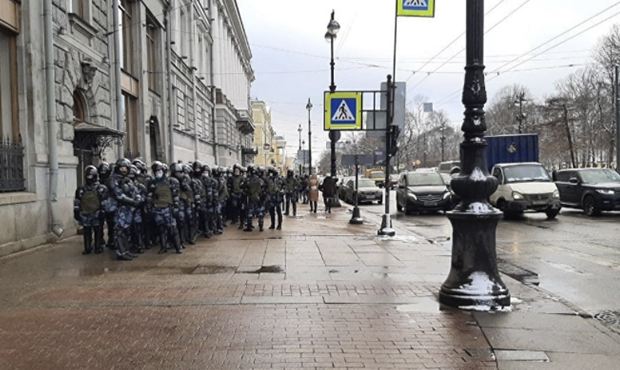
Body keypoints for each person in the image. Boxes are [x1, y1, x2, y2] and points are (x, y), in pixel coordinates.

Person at [148, 161, 182, 254]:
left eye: (159, 170)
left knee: (172, 228)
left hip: (168, 208)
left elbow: (175, 195)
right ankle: (163, 247)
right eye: (156, 170)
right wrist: (150, 206)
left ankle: (178, 247)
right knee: (161, 228)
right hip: (157, 208)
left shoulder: (171, 181)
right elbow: (150, 195)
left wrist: (176, 207)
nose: (158, 172)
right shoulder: (152, 182)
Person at [110, 158, 142, 260]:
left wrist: (138, 199)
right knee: (119, 230)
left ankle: (126, 250)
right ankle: (120, 252)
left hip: (128, 209)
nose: (124, 170)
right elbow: (118, 195)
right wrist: (133, 201)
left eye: (125, 167)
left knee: (125, 230)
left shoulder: (128, 179)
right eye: (122, 167)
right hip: (119, 208)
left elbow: (136, 191)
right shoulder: (113, 179)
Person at [73, 165, 107, 255]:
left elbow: (104, 200)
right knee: (87, 231)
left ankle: (98, 246)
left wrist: (103, 211)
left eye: (91, 176)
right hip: (85, 213)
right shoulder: (81, 189)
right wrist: (76, 211)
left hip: (97, 213)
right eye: (88, 176)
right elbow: (77, 201)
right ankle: (87, 247)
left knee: (98, 230)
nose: (89, 178)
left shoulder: (101, 188)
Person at [97, 162, 116, 249]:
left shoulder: (111, 181)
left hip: (110, 205)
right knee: (100, 225)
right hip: (100, 205)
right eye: (102, 171)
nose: (103, 172)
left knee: (111, 224)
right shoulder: (97, 181)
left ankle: (111, 240)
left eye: (104, 170)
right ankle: (100, 240)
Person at [243, 165, 265, 231]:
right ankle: (261, 227)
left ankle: (249, 227)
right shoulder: (259, 179)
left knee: (249, 212)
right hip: (259, 198)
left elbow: (244, 187)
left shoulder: (248, 179)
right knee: (260, 212)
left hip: (251, 198)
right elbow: (263, 187)